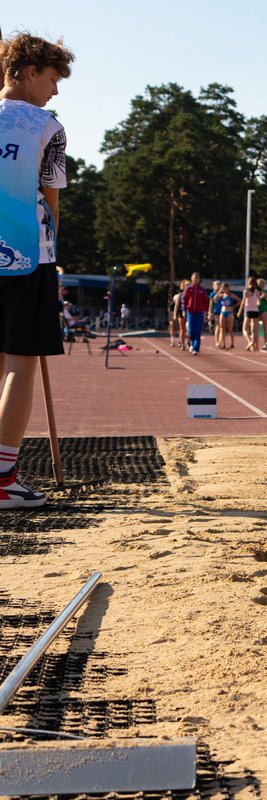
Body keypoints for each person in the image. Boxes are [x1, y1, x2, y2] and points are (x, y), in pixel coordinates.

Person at [0, 32, 74, 509]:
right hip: (26, 254)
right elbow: (51, 198)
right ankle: (3, 480)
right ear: (30, 72)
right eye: (51, 78)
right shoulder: (46, 126)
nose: (55, 90)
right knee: (19, 365)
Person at [180, 271, 210, 354]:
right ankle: (192, 344)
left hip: (199, 312)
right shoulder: (188, 289)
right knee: (190, 330)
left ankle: (196, 348)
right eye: (194, 278)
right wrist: (183, 310)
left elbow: (205, 301)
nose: (196, 279)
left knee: (198, 331)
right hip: (190, 312)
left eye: (197, 278)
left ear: (199, 279)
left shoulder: (202, 289)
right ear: (191, 279)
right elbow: (184, 300)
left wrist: (206, 312)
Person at [213, 282, 239, 350]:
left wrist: (233, 307)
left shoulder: (231, 295)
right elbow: (214, 298)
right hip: (222, 312)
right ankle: (223, 344)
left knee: (230, 329)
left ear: (228, 288)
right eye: (223, 289)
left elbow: (240, 301)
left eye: (225, 288)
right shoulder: (221, 295)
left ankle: (232, 343)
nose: (224, 290)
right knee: (222, 329)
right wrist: (219, 291)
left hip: (229, 312)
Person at [240, 278, 263, 351]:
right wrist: (255, 303)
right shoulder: (257, 292)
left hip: (249, 311)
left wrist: (239, 311)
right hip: (256, 311)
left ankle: (250, 342)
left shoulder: (246, 291)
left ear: (249, 283)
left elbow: (243, 302)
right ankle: (253, 345)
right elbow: (259, 303)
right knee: (255, 330)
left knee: (244, 329)